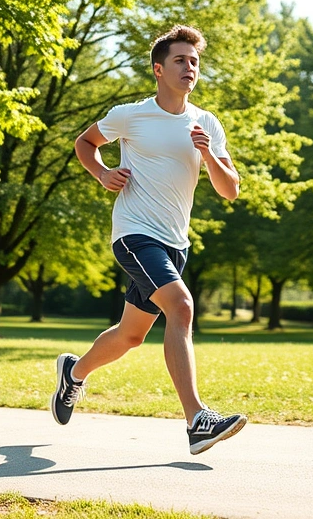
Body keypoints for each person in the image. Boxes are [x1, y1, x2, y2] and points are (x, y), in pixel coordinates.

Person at [54, 24, 246, 455]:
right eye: (180, 60)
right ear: (159, 69)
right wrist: (102, 172)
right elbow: (85, 141)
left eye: (194, 61)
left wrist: (208, 154)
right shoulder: (131, 115)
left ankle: (74, 373)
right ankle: (198, 420)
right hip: (135, 234)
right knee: (181, 306)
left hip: (176, 243)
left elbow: (230, 188)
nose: (189, 68)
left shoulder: (207, 123)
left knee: (130, 335)